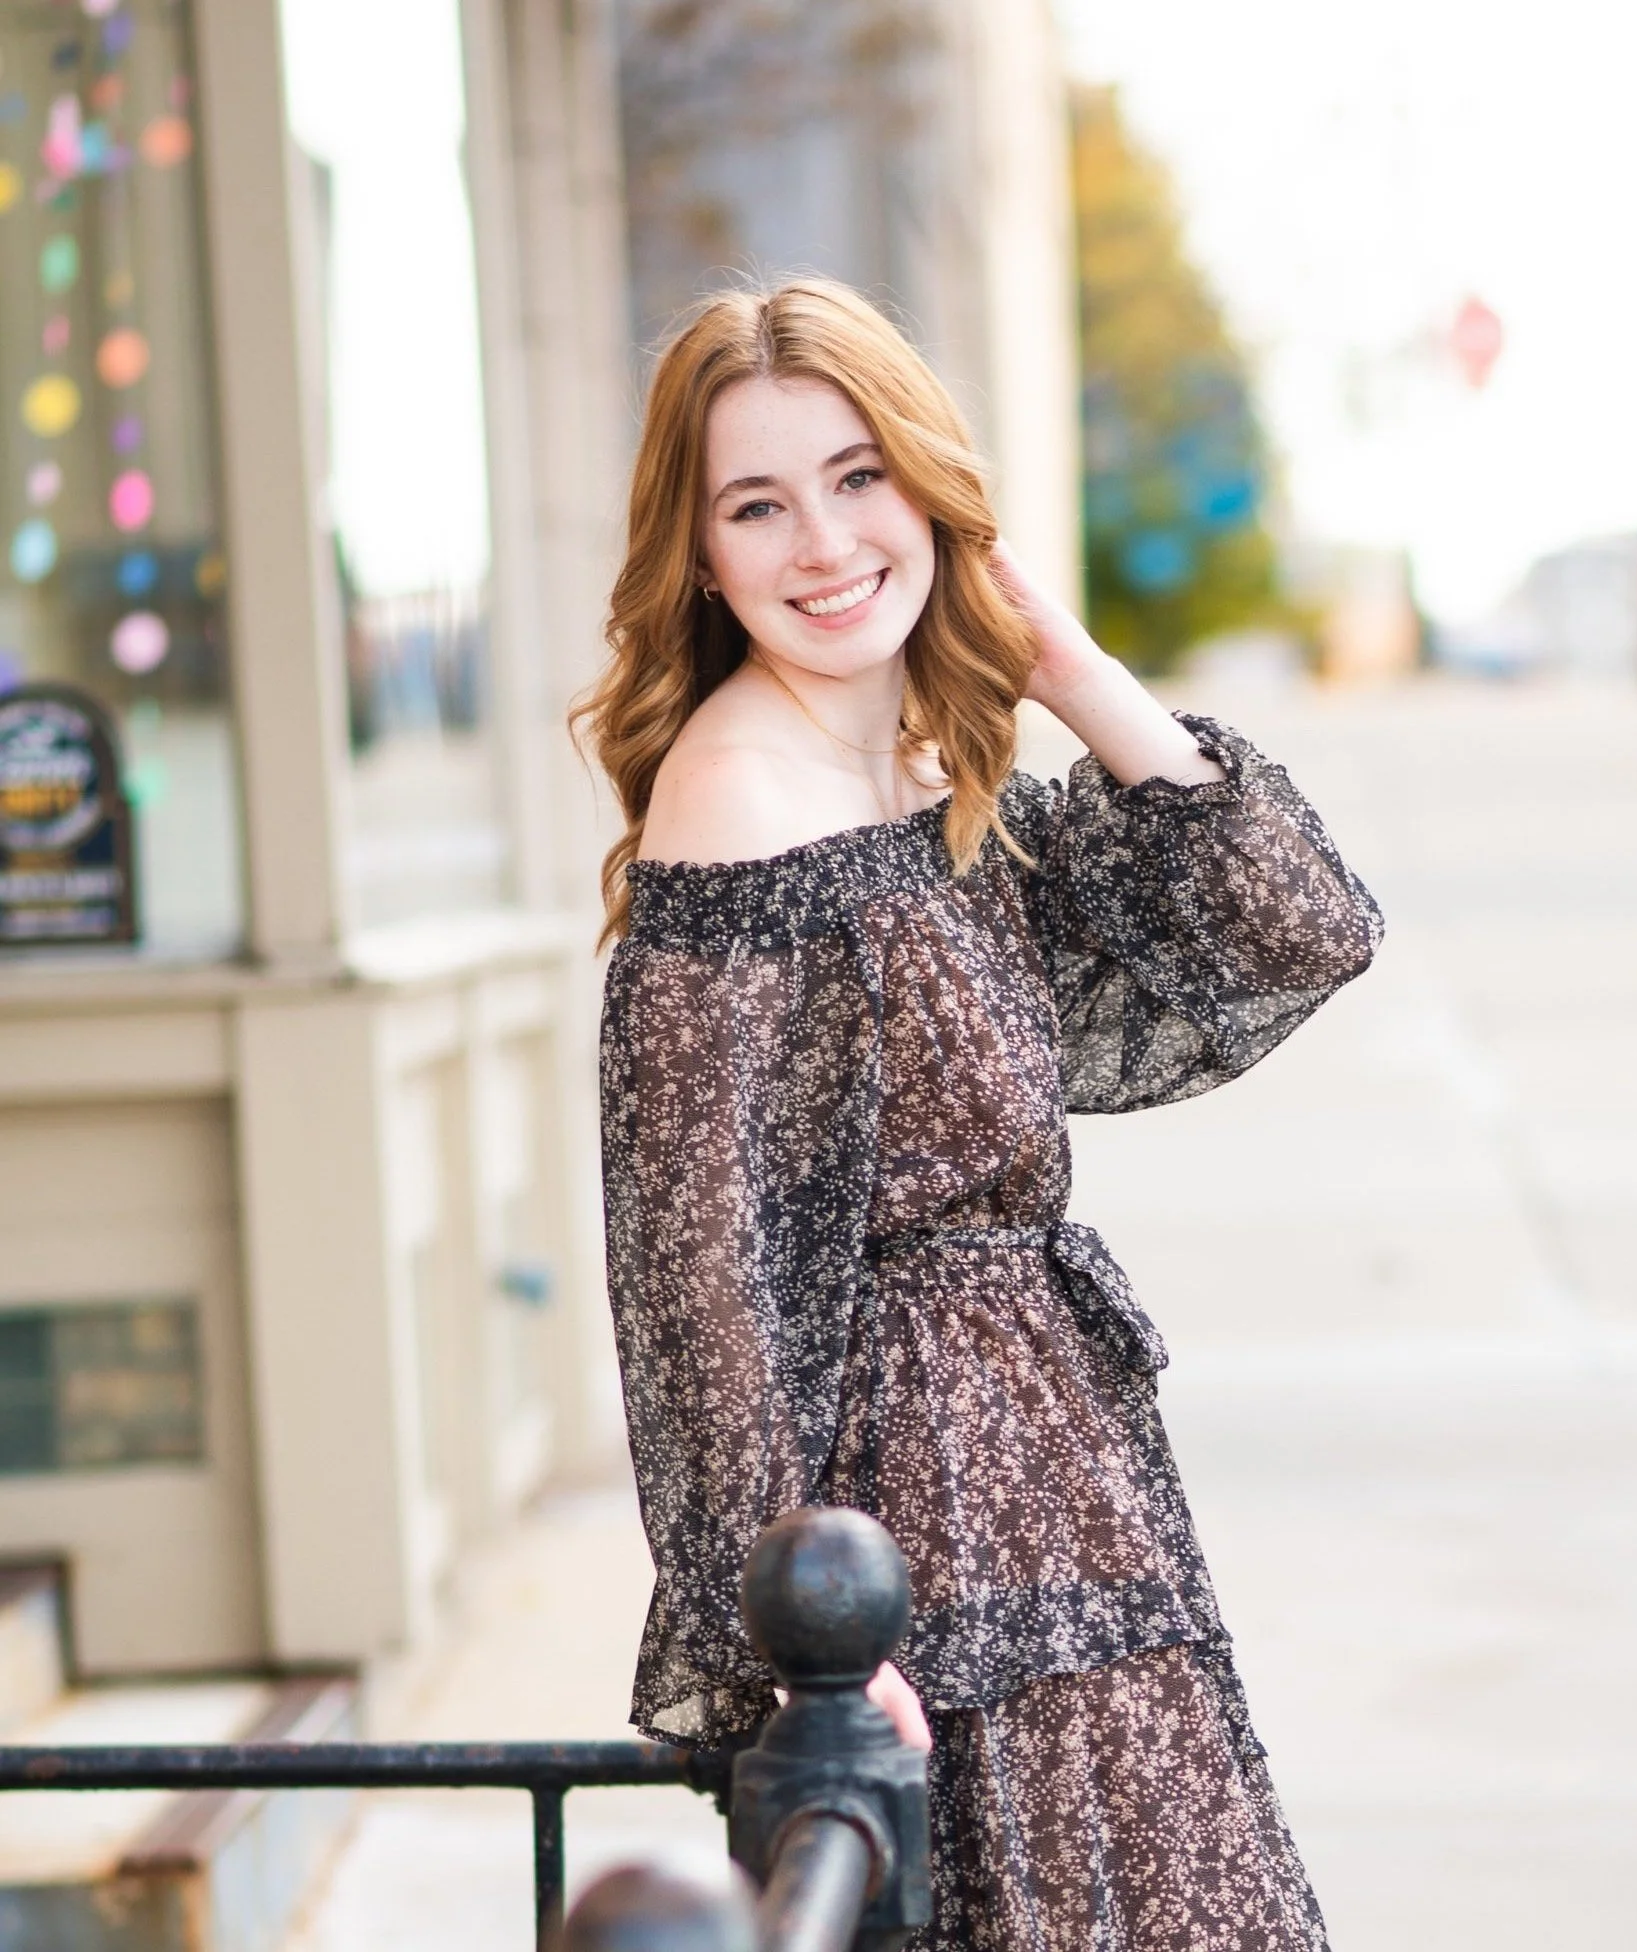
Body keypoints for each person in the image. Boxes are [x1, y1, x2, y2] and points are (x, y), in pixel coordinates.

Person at [579, 278, 1383, 1950]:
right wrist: (820, 1659)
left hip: (1056, 1490)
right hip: (916, 1549)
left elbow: (1297, 930)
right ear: (705, 555)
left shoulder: (928, 780)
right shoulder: (736, 800)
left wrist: (1072, 669)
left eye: (860, 477)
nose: (821, 543)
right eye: (758, 504)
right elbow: (703, 1290)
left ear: (932, 491)